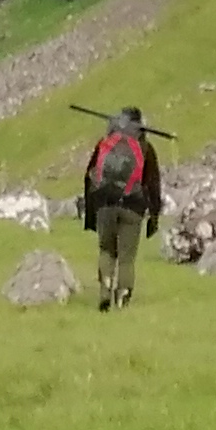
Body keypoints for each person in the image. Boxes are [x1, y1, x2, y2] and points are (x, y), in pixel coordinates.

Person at [80, 108, 165, 311]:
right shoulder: (145, 147)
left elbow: (89, 176)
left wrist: (91, 209)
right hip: (133, 208)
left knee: (106, 250)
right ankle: (123, 294)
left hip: (105, 205)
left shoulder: (105, 144)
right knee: (127, 257)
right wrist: (154, 215)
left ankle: (105, 288)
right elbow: (153, 183)